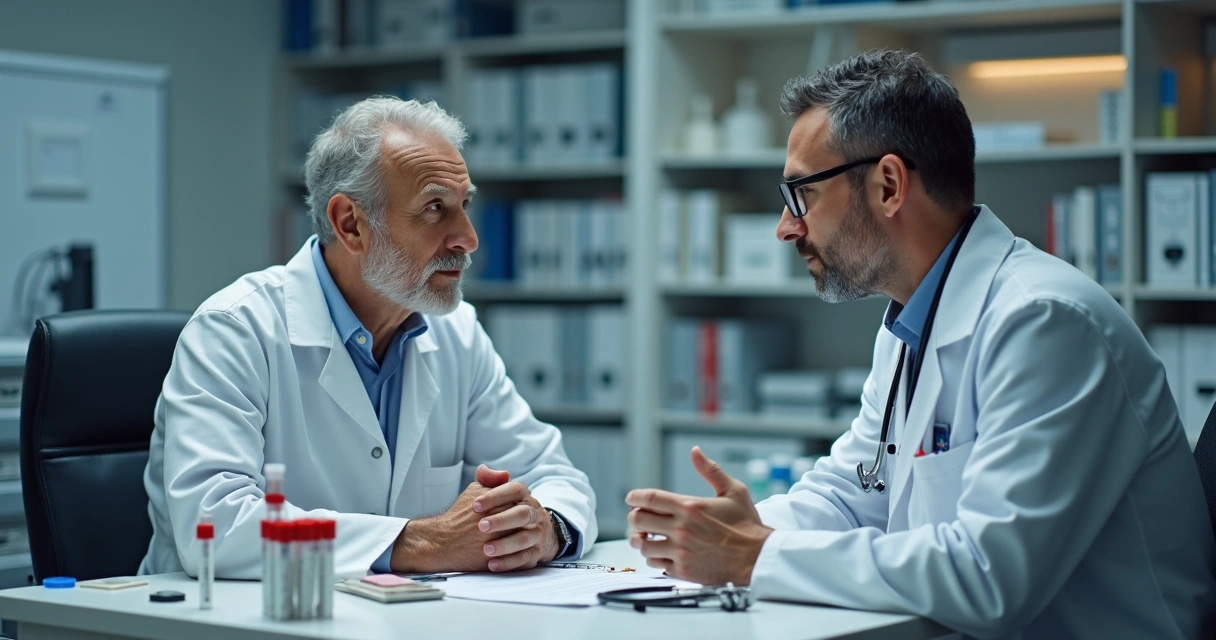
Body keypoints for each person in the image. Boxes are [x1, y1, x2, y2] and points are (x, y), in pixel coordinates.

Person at [625, 50, 1216, 638]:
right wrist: (726, 530)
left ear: (888, 185)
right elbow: (855, 493)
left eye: (801, 194)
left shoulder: (1046, 323)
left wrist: (754, 557)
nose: (786, 227)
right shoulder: (914, 320)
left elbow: (989, 577)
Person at [140, 97, 596, 579]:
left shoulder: (456, 333)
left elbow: (553, 474)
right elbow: (215, 525)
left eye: (464, 205)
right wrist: (424, 542)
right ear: (351, 224)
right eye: (435, 208)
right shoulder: (235, 330)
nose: (467, 237)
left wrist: (543, 528)